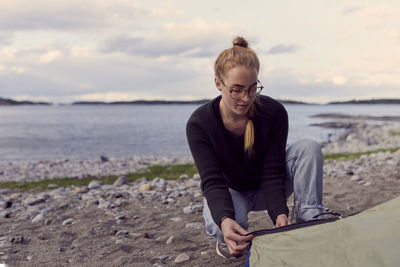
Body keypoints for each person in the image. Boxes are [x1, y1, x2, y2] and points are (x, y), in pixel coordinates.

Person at [186, 36, 324, 259]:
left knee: (309, 148)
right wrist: (224, 219)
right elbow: (212, 181)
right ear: (218, 84)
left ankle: (311, 218)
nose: (245, 98)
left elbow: (273, 169)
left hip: (265, 186)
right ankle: (225, 235)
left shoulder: (274, 113)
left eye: (252, 89)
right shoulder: (200, 124)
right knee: (227, 230)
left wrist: (279, 213)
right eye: (236, 90)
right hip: (233, 191)